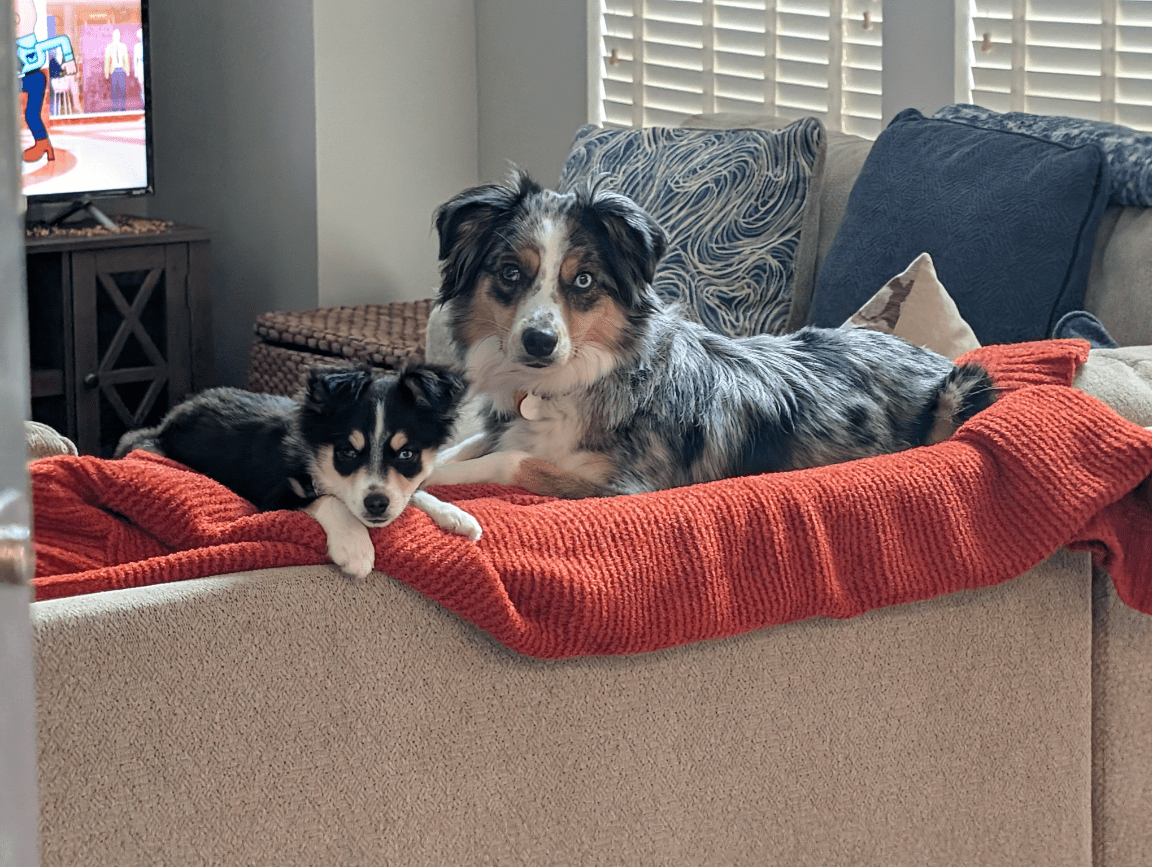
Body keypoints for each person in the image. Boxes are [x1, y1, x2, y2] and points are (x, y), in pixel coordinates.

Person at [16, 0, 75, 162]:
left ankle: (43, 144)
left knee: (31, 115)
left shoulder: (34, 46)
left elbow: (62, 40)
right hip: (15, 80)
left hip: (34, 78)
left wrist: (69, 59)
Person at [105, 27, 128, 111]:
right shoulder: (109, 47)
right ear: (113, 36)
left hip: (121, 69)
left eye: (118, 35)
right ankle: (114, 107)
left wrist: (127, 70)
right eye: (115, 35)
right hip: (113, 70)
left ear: (120, 36)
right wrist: (106, 72)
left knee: (122, 89)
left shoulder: (123, 46)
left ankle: (122, 106)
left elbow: (126, 58)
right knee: (114, 89)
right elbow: (107, 60)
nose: (117, 37)